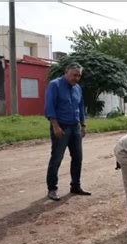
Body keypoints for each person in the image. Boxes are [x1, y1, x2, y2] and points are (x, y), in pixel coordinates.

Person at [45, 62, 90, 201]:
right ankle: (52, 189)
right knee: (57, 158)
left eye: (78, 76)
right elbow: (49, 106)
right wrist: (55, 126)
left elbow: (80, 107)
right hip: (61, 127)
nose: (76, 78)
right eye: (73, 75)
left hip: (75, 127)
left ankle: (75, 186)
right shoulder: (55, 85)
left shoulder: (78, 88)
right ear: (66, 72)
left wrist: (83, 125)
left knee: (77, 158)